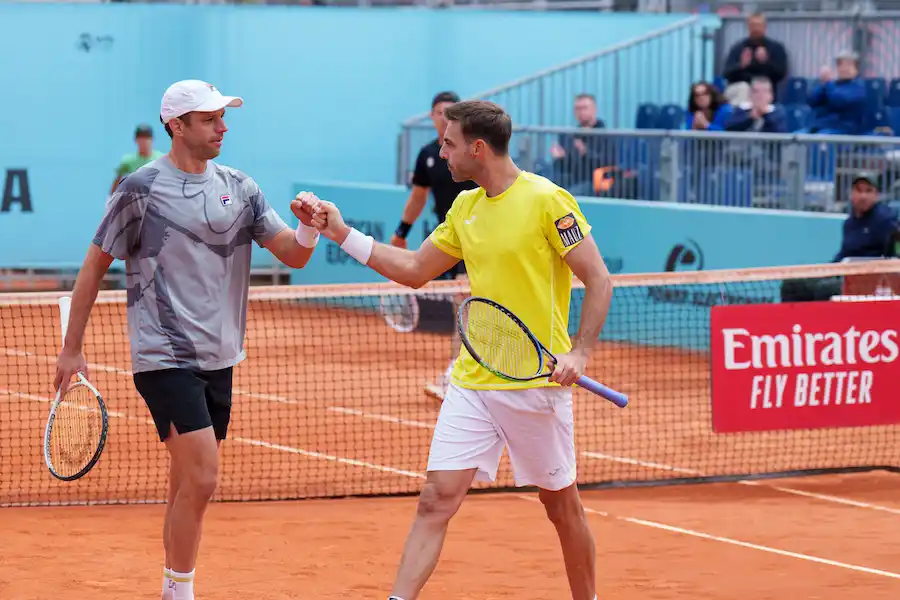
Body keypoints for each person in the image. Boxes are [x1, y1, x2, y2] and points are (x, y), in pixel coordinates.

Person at [306, 100, 613, 600]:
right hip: (473, 381)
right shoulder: (464, 207)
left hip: (534, 386)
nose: (441, 153)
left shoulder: (548, 201)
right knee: (435, 499)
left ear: (477, 148)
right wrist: (340, 233)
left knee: (562, 508)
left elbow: (599, 280)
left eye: (448, 144)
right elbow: (413, 270)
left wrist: (580, 353)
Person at [53, 79, 322, 600]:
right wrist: (72, 346)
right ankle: (181, 590)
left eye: (223, 118)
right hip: (163, 355)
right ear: (176, 126)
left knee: (185, 483)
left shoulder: (240, 186)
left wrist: (308, 228)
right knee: (204, 476)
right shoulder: (139, 189)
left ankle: (170, 584)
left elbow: (292, 254)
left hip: (221, 355)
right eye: (209, 119)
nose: (222, 128)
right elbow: (93, 266)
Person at [390, 91, 477, 401]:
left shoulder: (471, 151)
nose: (445, 117)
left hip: (478, 237)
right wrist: (402, 232)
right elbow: (418, 197)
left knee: (464, 302)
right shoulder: (429, 154)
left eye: (451, 112)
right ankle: (465, 373)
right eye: (440, 112)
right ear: (431, 116)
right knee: (465, 304)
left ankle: (457, 374)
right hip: (450, 239)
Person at [780, 171, 899, 302]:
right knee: (793, 285)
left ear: (876, 195)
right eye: (859, 190)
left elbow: (892, 256)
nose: (863, 196)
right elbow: (844, 254)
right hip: (845, 275)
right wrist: (823, 271)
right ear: (851, 194)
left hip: (869, 282)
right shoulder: (849, 223)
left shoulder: (885, 220)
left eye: (868, 191)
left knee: (825, 289)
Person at [722, 12, 788, 95]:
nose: (756, 29)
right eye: (753, 26)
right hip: (741, 87)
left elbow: (781, 75)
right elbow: (726, 74)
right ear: (748, 27)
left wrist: (765, 62)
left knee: (761, 89)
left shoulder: (776, 48)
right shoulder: (738, 48)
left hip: (765, 89)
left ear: (764, 27)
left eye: (758, 26)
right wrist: (742, 65)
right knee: (742, 89)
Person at [111, 123, 164, 194]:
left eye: (147, 137)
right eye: (141, 137)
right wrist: (111, 199)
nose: (144, 141)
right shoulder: (128, 161)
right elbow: (117, 181)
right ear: (136, 140)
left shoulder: (161, 159)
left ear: (152, 139)